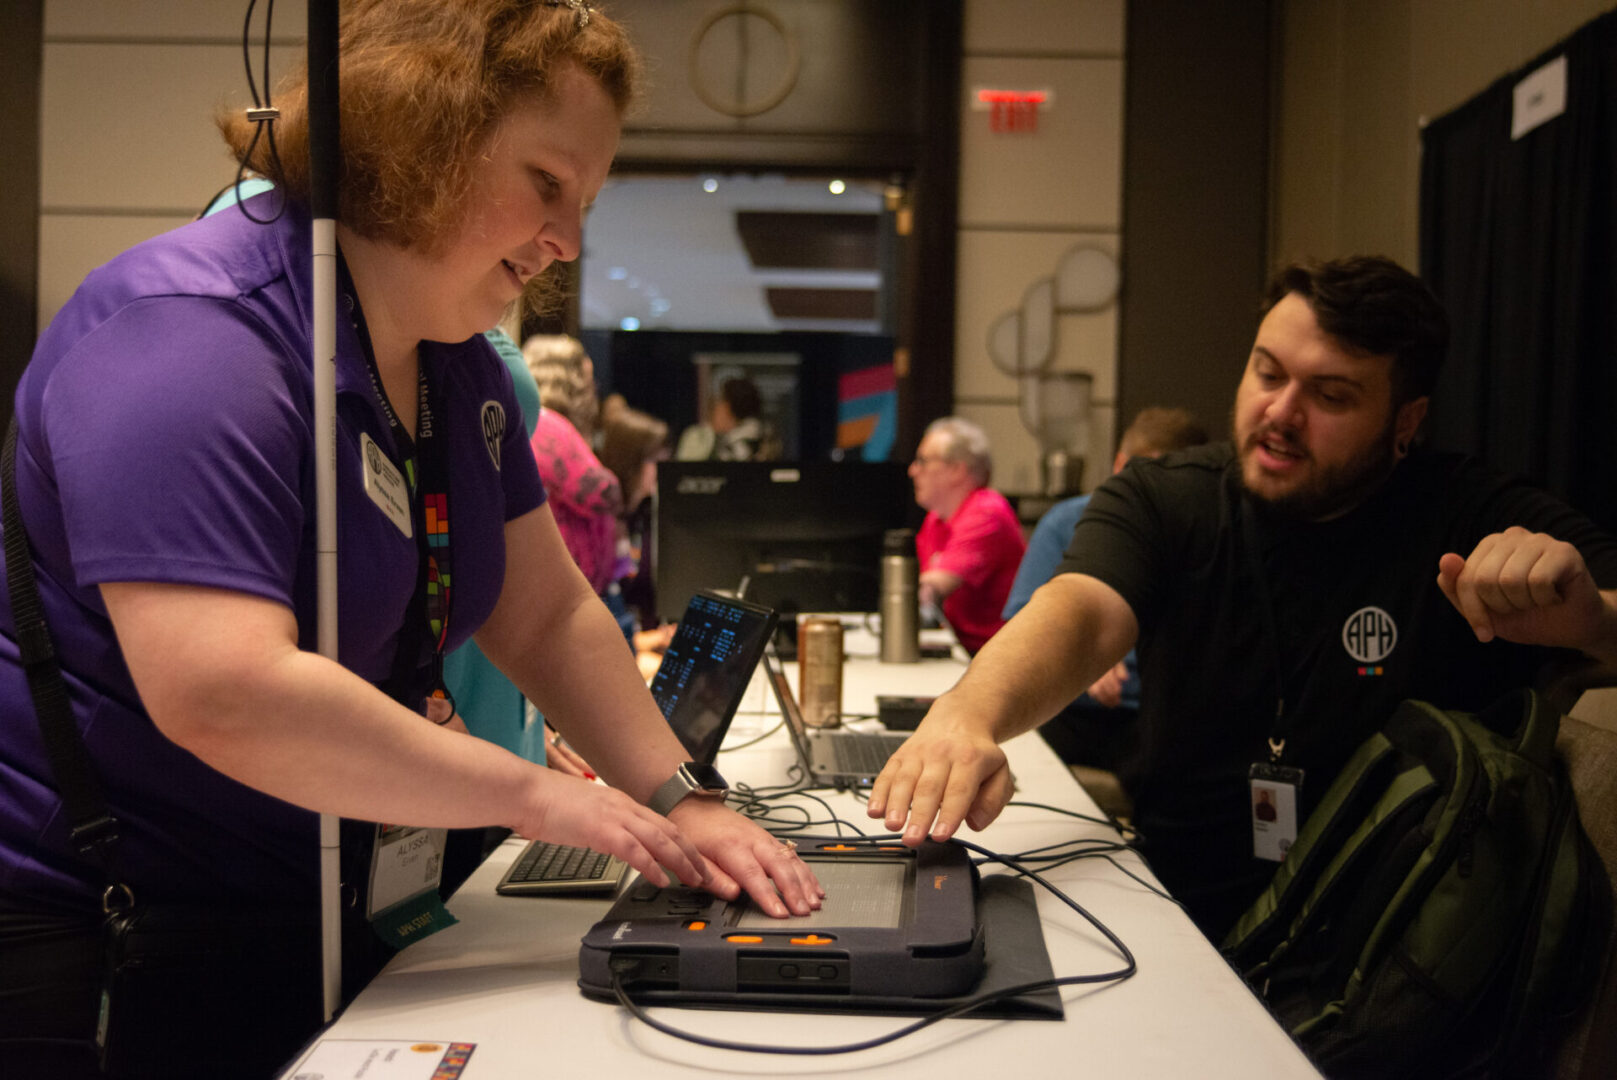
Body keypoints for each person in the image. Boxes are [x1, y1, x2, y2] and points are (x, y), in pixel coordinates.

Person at [0, 3, 819, 1073]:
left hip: (318, 905)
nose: (569, 241)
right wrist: (544, 797)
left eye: (585, 201)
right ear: (419, 136)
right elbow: (222, 690)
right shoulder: (187, 342)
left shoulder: (455, 362)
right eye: (546, 184)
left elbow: (548, 611)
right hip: (121, 939)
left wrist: (681, 798)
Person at [868, 255, 1617, 941]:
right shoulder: (1165, 500)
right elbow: (1082, 609)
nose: (1280, 413)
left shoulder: (1469, 511)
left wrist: (1592, 619)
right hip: (1173, 913)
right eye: (1267, 372)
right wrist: (967, 715)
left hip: (1390, 942)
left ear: (1406, 422)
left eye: (1329, 395)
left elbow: (1605, 610)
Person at [1003, 407, 1208, 773]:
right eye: (1143, 477)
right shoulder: (1066, 521)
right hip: (1075, 708)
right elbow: (1022, 623)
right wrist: (1083, 658)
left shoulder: (1207, 536)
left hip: (1165, 714)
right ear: (1119, 465)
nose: (1154, 495)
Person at [909, 416, 1027, 654]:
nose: (913, 470)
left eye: (923, 461)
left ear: (956, 470)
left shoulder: (986, 512)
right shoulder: (936, 518)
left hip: (999, 659)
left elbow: (931, 586)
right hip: (962, 651)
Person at [523, 333, 622, 596]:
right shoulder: (549, 426)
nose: (593, 392)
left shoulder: (536, 423)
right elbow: (603, 492)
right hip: (556, 595)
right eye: (588, 382)